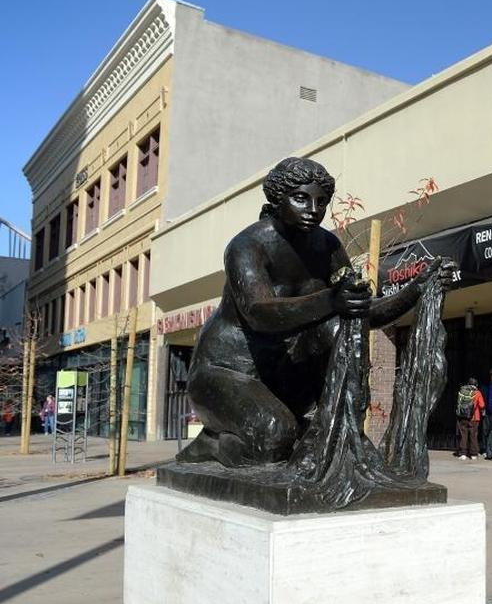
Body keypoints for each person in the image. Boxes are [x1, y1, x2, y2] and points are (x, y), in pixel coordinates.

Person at [179, 157, 450, 467]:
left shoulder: (328, 246)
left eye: (321, 201)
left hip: (281, 376)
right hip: (225, 371)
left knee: (337, 328)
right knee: (274, 436)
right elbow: (260, 313)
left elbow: (360, 312)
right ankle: (212, 444)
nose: (313, 209)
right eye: (301, 198)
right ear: (277, 199)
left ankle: (339, 429)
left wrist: (416, 289)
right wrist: (331, 300)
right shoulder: (247, 245)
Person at [455, 377, 485, 460]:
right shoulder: (477, 393)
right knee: (473, 435)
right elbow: (482, 405)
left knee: (463, 435)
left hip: (462, 418)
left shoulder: (462, 391)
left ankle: (463, 453)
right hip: (474, 418)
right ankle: (473, 454)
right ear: (476, 384)